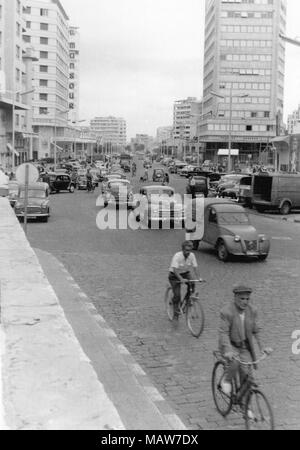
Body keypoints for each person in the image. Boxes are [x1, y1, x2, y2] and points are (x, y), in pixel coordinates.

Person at [219, 284, 273, 396]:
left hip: (244, 346)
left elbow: (256, 330)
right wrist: (228, 350)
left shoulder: (252, 311)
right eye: (242, 299)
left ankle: (246, 409)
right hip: (231, 344)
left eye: (247, 299)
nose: (245, 302)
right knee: (234, 363)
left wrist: (263, 347)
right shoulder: (227, 311)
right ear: (235, 298)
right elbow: (223, 332)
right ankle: (226, 380)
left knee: (247, 377)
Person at [169, 241, 202, 319]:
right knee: (177, 295)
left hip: (185, 273)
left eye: (189, 250)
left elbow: (195, 267)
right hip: (174, 275)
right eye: (186, 250)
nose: (188, 252)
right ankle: (175, 314)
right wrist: (181, 279)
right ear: (182, 249)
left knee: (192, 284)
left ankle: (187, 301)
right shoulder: (177, 256)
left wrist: (199, 277)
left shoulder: (192, 255)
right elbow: (175, 270)